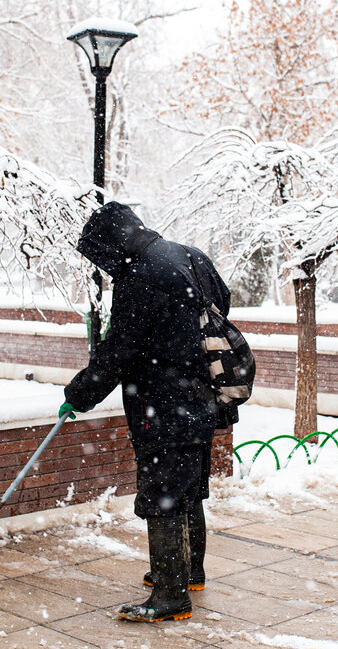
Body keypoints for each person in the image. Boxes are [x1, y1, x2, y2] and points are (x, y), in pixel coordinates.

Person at [59, 201, 232, 623]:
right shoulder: (190, 255)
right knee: (187, 488)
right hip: (202, 398)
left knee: (163, 495)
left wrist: (78, 394)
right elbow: (222, 303)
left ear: (112, 244)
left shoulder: (138, 277)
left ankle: (171, 596)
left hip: (163, 405)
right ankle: (188, 572)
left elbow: (117, 351)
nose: (104, 266)